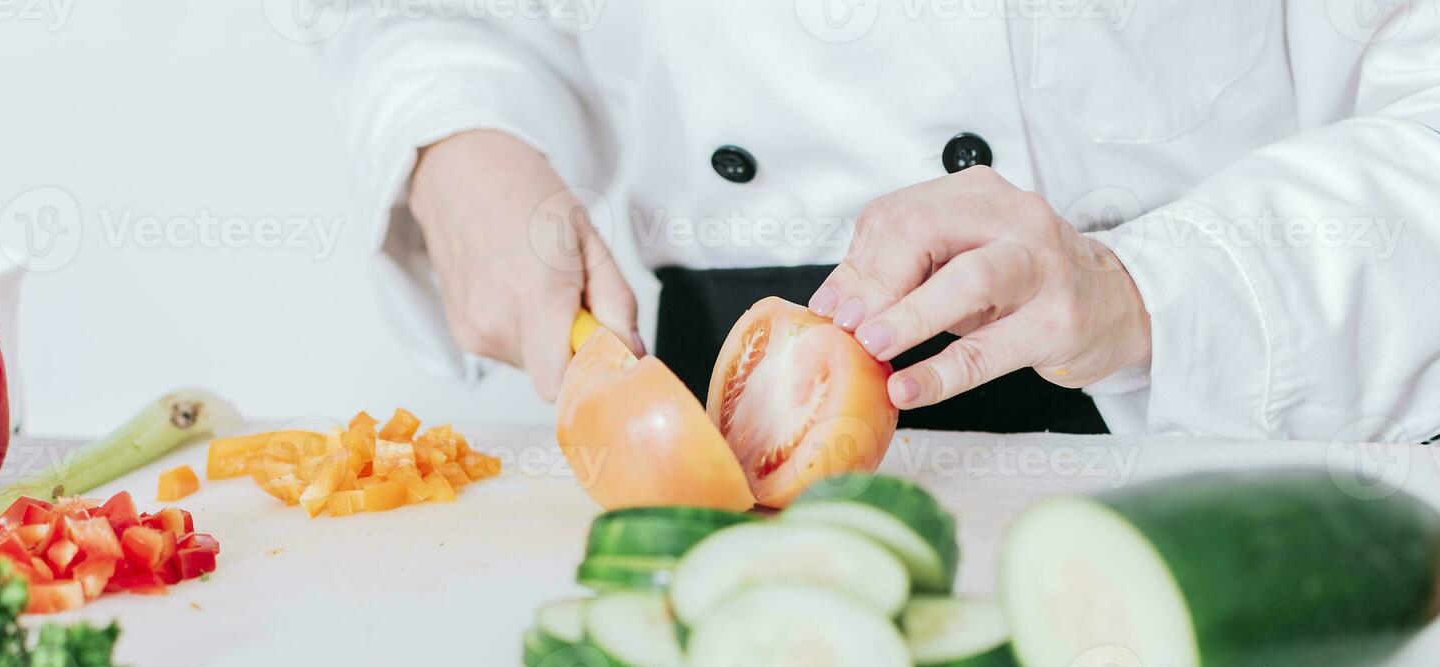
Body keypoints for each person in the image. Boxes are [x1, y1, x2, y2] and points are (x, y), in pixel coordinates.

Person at [323, 0, 1440, 440]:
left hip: (1221, 394)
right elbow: (439, 19)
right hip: (728, 415)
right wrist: (454, 137)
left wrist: (1146, 291)